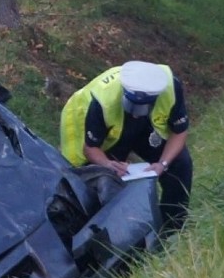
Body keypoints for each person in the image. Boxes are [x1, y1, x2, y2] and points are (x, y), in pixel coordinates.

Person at [60, 60, 193, 232]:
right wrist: (109, 164)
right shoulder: (102, 102)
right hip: (96, 130)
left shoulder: (170, 88)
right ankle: (120, 240)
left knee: (180, 162)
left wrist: (162, 164)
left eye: (141, 109)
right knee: (105, 182)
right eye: (133, 108)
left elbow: (179, 132)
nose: (136, 115)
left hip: (145, 124)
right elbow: (90, 148)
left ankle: (172, 229)